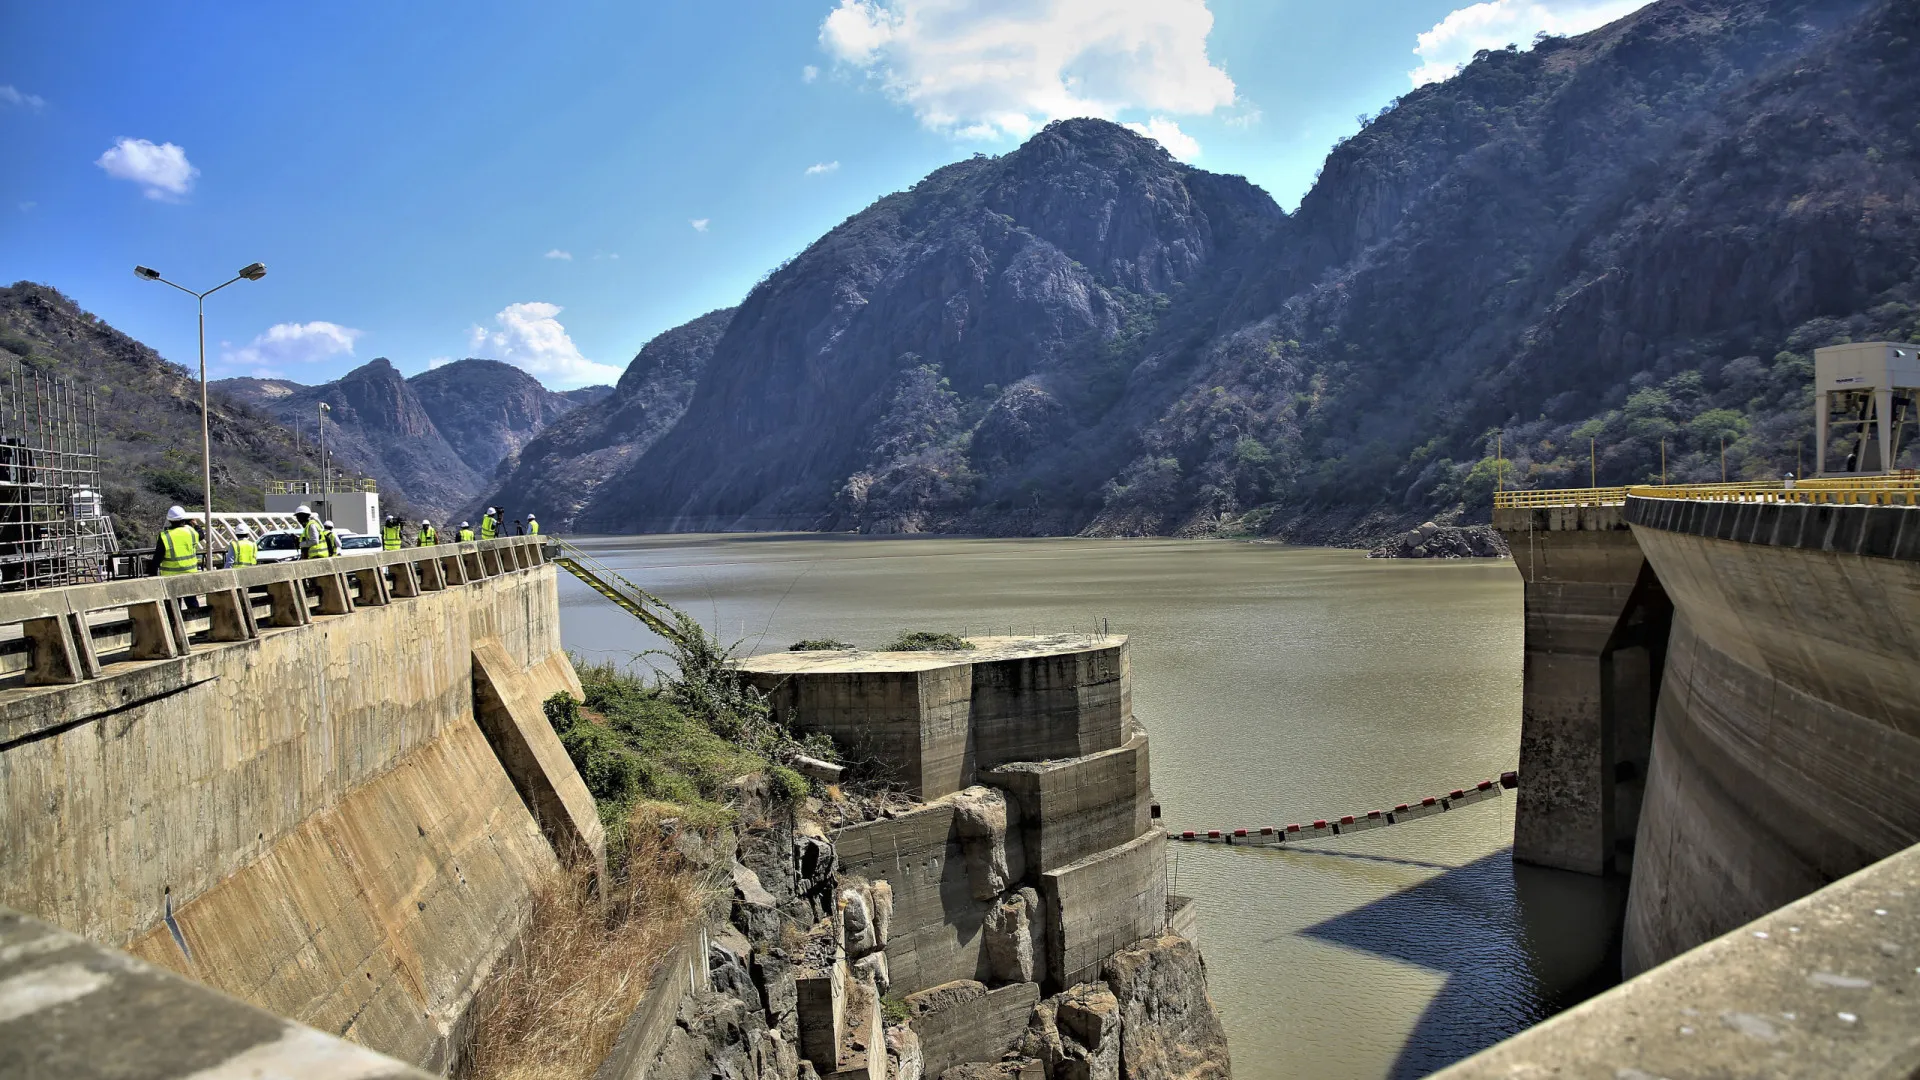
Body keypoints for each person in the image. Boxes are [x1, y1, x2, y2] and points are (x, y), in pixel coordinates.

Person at [153, 505, 200, 577]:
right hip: (192, 574)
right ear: (184, 519)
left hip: (170, 576)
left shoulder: (165, 536)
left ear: (169, 520)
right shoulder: (192, 532)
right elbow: (201, 535)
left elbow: (157, 558)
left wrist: (151, 572)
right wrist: (196, 525)